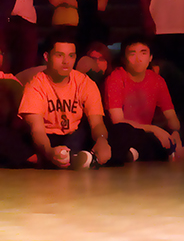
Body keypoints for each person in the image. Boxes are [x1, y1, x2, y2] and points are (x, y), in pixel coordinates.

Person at [16, 30, 117, 169]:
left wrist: (101, 140)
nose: (66, 61)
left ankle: (83, 156)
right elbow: (37, 130)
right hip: (47, 137)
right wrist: (49, 151)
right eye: (59, 55)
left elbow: (97, 123)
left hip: (75, 135)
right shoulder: (36, 85)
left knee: (119, 131)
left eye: (71, 56)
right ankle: (64, 158)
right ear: (46, 56)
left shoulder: (84, 83)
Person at [105, 34, 184, 162]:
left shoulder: (157, 81)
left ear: (150, 58)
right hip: (126, 133)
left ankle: (151, 152)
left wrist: (175, 132)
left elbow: (171, 116)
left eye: (143, 53)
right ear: (123, 59)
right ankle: (145, 153)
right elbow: (117, 120)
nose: (138, 59)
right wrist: (153, 129)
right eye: (132, 54)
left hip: (148, 132)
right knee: (124, 133)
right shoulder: (116, 78)